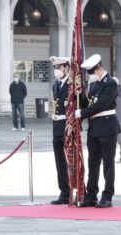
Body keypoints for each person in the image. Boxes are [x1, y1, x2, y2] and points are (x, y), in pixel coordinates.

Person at [75, 54, 121, 208]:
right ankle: (91, 194)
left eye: (93, 72)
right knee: (93, 163)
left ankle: (107, 196)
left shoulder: (111, 83)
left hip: (107, 126)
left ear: (100, 69)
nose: (91, 76)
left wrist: (82, 113)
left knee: (108, 164)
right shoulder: (94, 85)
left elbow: (101, 105)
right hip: (94, 127)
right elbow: (88, 102)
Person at [49, 56, 72, 204]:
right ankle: (64, 192)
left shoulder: (72, 85)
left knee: (73, 160)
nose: (56, 70)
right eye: (55, 68)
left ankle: (79, 190)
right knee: (60, 161)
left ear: (66, 68)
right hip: (57, 125)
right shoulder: (56, 85)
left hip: (68, 125)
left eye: (59, 67)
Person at [113, 77, 121, 164]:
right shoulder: (120, 92)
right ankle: (120, 157)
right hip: (117, 118)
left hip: (117, 119)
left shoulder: (119, 93)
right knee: (116, 139)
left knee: (118, 139)